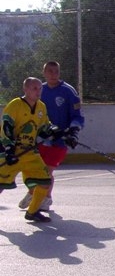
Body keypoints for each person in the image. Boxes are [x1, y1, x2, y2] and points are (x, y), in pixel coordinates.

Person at [18, 61, 83, 212]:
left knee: (47, 171)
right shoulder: (38, 90)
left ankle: (45, 199)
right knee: (33, 170)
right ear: (44, 73)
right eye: (50, 71)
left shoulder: (68, 91)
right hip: (40, 139)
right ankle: (33, 193)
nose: (53, 74)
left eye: (56, 71)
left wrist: (73, 132)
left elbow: (77, 115)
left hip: (59, 140)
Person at [1, 77, 64, 223]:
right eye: (34, 88)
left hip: (30, 153)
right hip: (12, 153)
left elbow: (44, 127)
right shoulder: (15, 105)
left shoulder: (41, 107)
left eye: (40, 88)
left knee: (45, 181)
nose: (38, 91)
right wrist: (9, 149)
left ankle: (32, 212)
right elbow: (6, 127)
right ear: (26, 89)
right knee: (0, 183)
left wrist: (54, 131)